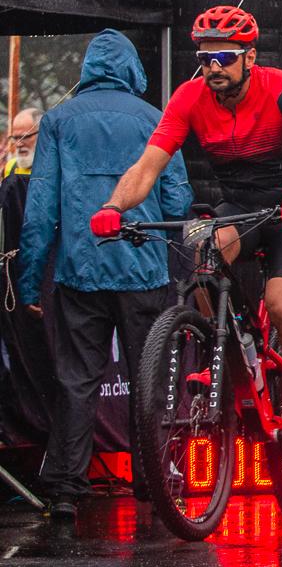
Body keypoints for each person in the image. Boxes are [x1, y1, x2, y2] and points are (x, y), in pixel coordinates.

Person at [96, 6, 282, 483]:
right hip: (239, 207)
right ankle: (221, 349)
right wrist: (113, 207)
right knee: (200, 252)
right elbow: (148, 166)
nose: (214, 67)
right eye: (205, 58)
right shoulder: (190, 97)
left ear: (251, 57)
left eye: (225, 57)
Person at [17, 32, 192, 521]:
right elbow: (178, 201)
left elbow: (39, 211)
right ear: (132, 69)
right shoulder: (155, 119)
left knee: (77, 380)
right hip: (145, 271)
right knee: (149, 381)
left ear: (87, 68)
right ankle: (151, 480)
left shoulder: (57, 121)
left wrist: (30, 283)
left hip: (80, 273)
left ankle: (66, 488)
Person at [3, 108, 41, 178]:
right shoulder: (10, 166)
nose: (18, 144)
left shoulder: (58, 167)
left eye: (25, 137)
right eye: (15, 138)